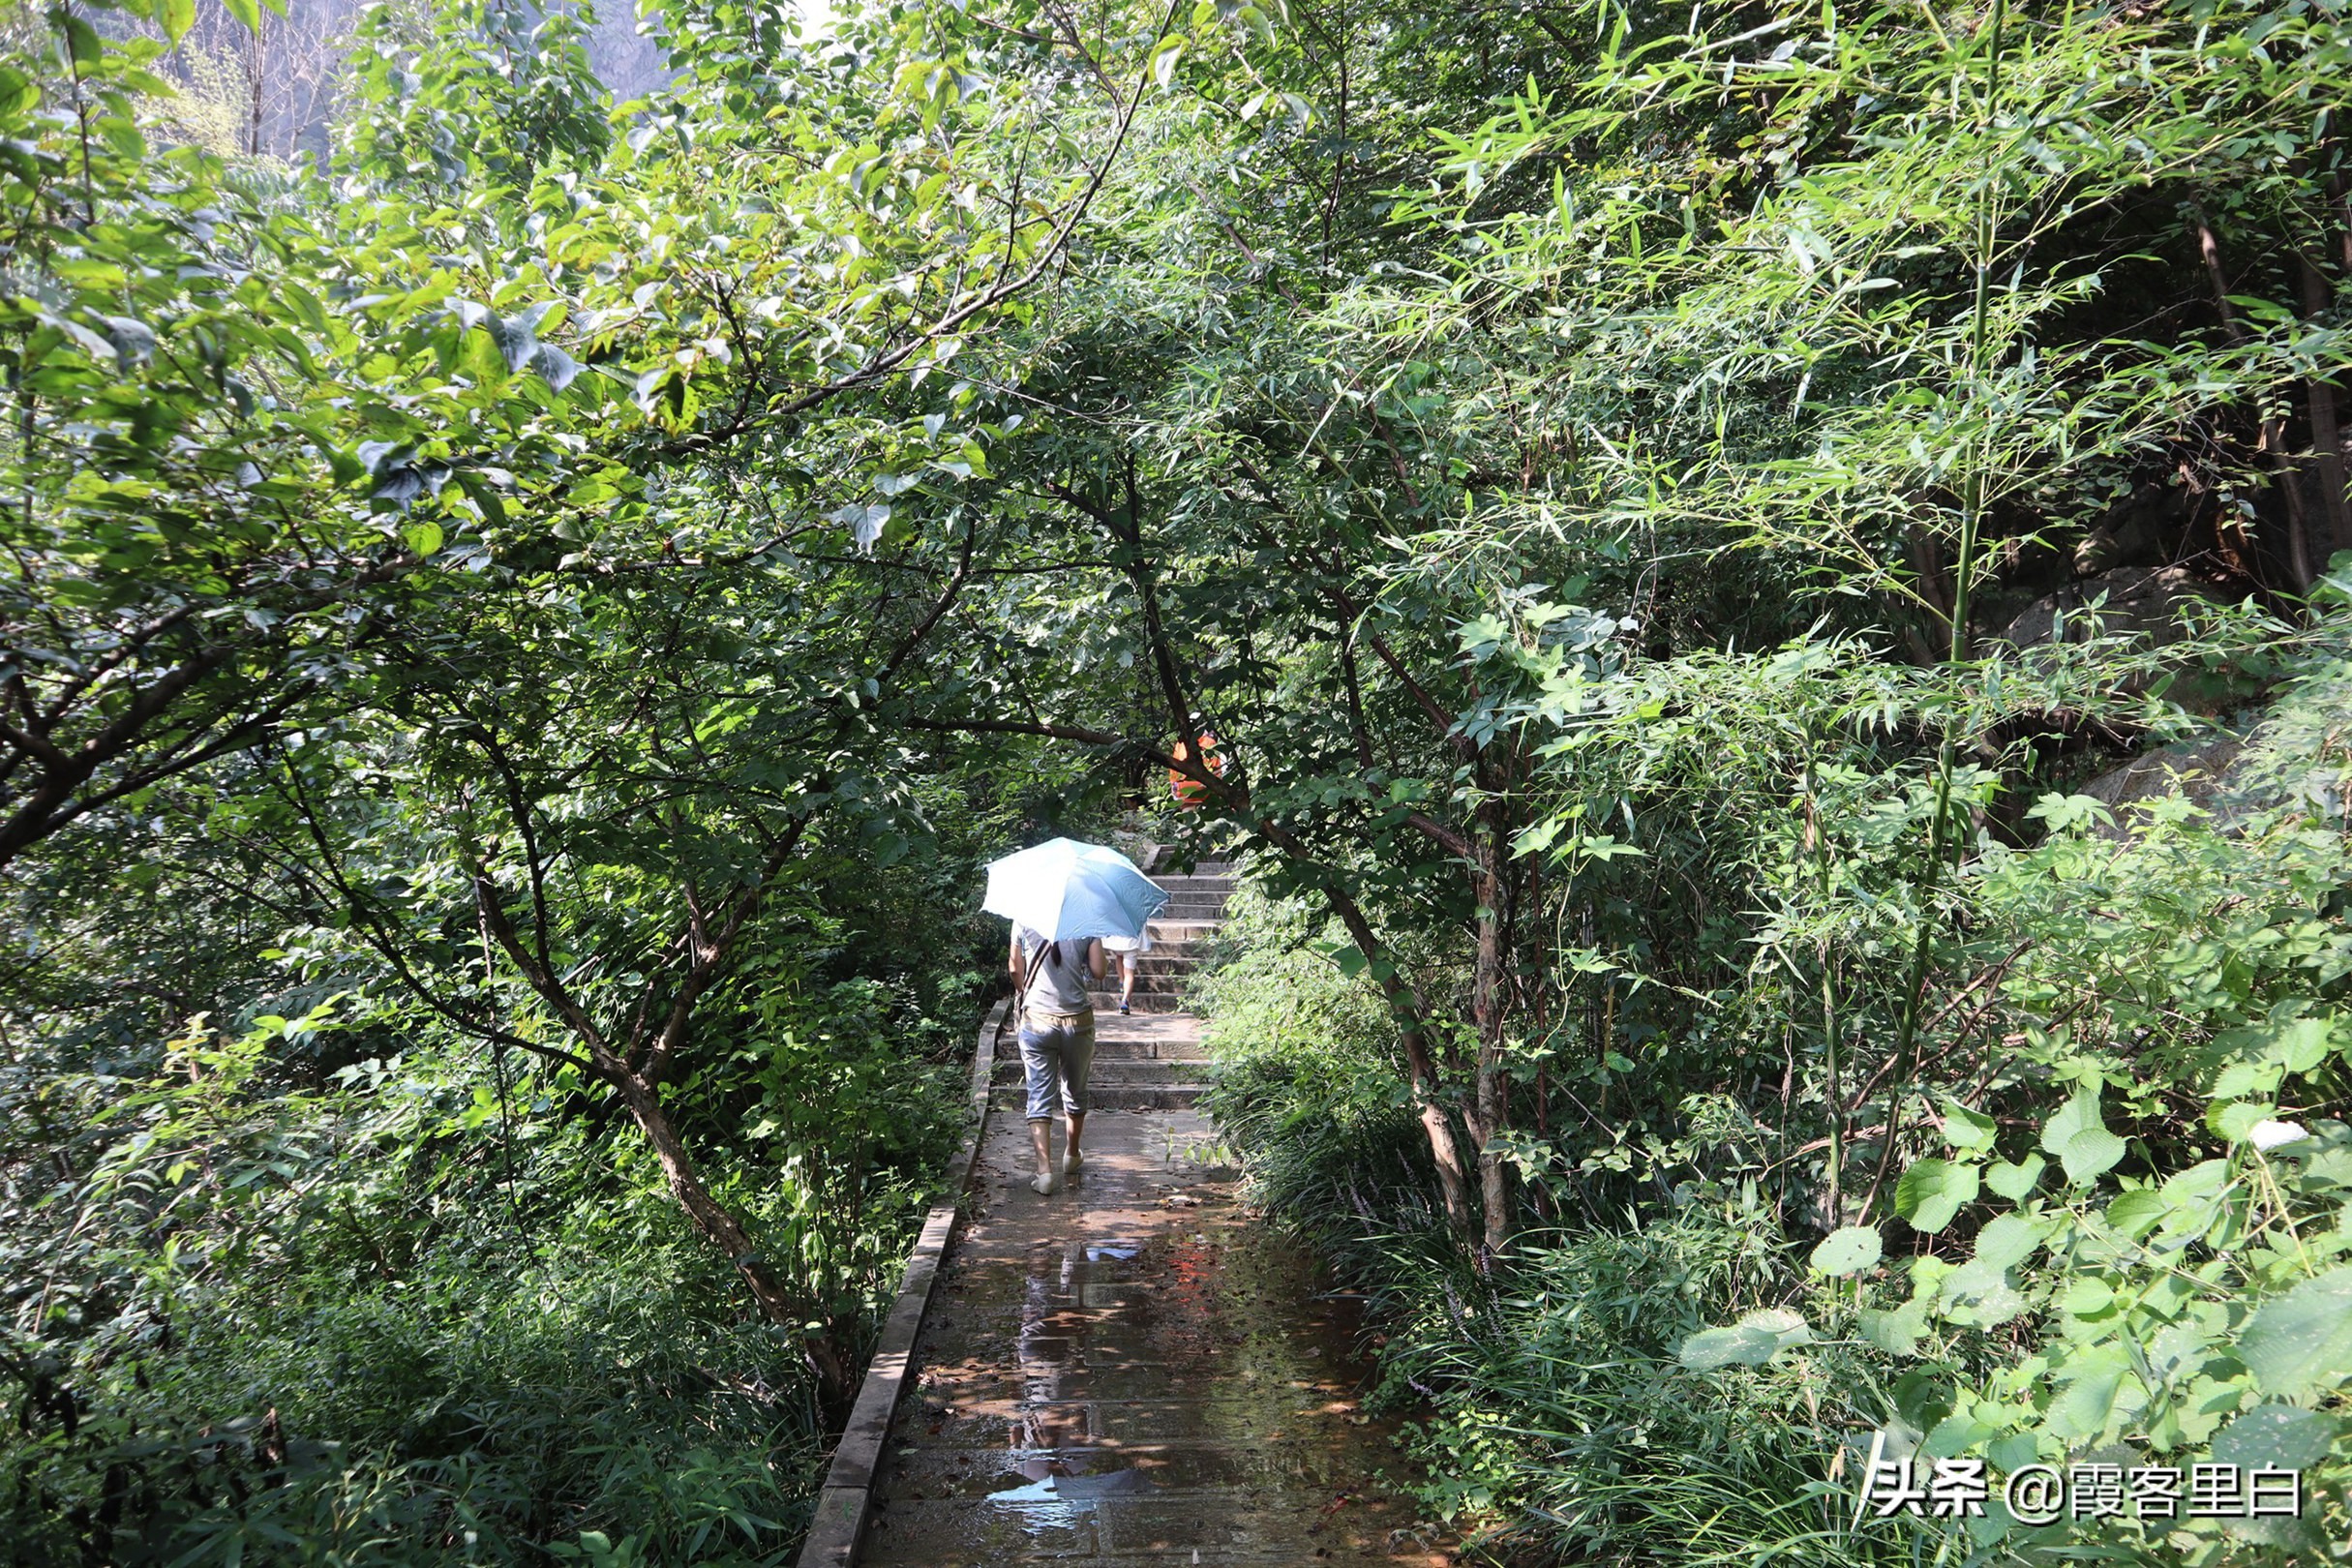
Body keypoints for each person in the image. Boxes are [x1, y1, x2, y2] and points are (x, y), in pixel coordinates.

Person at [1010, 925, 1104, 1194]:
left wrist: (1024, 992)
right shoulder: (1087, 919)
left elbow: (1015, 970)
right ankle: (1072, 1156)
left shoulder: (1023, 918)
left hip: (1037, 1020)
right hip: (1078, 1020)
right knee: (1075, 1089)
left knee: (1039, 1095)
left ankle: (1044, 1172)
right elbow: (1099, 971)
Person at [1166, 714, 1224, 809]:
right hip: (1204, 790)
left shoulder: (1179, 744)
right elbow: (1217, 772)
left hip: (1182, 791)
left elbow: (1173, 772)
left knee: (1189, 820)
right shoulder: (1209, 743)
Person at [1102, 925, 1152, 1015]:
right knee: (1129, 972)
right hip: (1132, 939)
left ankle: (1122, 981)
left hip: (1118, 936)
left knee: (1119, 956)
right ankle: (1125, 1001)